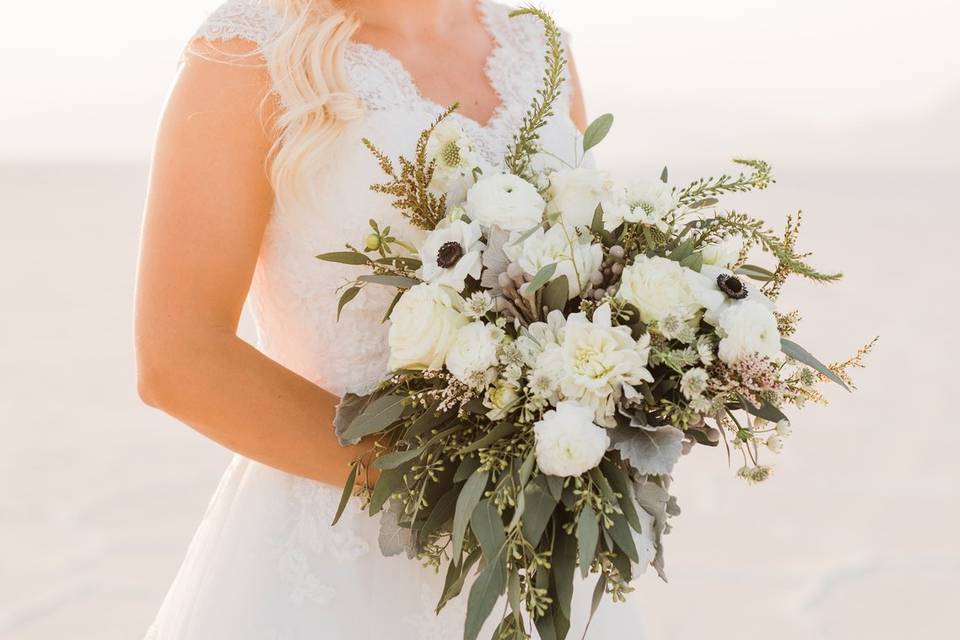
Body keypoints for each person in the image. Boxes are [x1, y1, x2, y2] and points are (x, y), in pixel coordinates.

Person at [137, 1, 644, 637]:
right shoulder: (250, 52)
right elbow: (178, 358)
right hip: (339, 552)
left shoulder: (537, 46)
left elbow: (587, 267)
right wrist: (446, 482)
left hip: (540, 541)